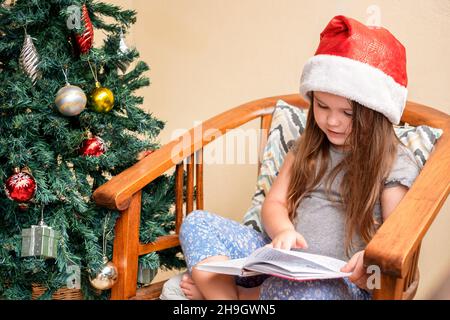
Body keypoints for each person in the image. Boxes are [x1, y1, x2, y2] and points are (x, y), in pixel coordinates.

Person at [178, 15, 420, 300]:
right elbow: (275, 203)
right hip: (283, 265)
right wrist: (284, 230)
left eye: (348, 113)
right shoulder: (308, 147)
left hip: (341, 282)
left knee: (308, 292)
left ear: (376, 114)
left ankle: (240, 296)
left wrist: (369, 262)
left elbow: (395, 243)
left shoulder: (394, 165)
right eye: (322, 105)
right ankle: (231, 298)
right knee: (196, 222)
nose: (332, 121)